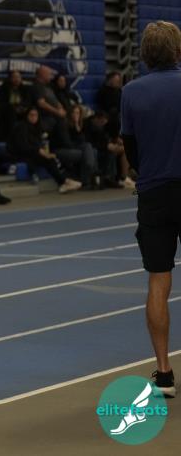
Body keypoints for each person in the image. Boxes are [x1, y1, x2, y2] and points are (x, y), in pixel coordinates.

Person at [121, 21, 181, 399]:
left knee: (158, 281)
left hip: (155, 192)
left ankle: (164, 375)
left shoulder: (131, 92)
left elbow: (131, 149)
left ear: (145, 55)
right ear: (178, 50)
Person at [6, 107, 82, 193]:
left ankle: (64, 182)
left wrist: (43, 151)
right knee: (47, 159)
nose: (34, 117)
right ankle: (65, 181)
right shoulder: (21, 127)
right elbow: (22, 146)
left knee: (50, 158)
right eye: (31, 115)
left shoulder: (37, 128)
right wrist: (39, 151)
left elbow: (37, 144)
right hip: (19, 154)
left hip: (32, 153)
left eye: (36, 115)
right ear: (27, 116)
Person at [52, 104, 98, 189]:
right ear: (70, 113)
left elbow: (82, 140)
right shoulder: (63, 123)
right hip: (60, 149)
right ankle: (89, 178)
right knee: (87, 152)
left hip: (73, 147)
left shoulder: (77, 125)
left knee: (92, 150)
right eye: (74, 112)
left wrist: (77, 127)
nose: (76, 115)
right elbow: (66, 143)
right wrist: (80, 147)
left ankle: (87, 180)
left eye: (78, 113)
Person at [0, 70, 31, 142]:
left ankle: (31, 136)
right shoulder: (4, 88)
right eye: (14, 77)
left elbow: (27, 101)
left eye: (18, 77)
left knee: (32, 110)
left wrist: (22, 107)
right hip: (8, 111)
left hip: (21, 110)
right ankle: (11, 138)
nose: (17, 79)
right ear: (10, 78)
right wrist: (14, 108)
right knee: (11, 110)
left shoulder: (25, 89)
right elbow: (0, 102)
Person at [97, 71, 123, 137]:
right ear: (110, 79)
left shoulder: (119, 90)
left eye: (118, 80)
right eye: (116, 80)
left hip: (118, 112)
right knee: (114, 118)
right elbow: (103, 105)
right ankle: (115, 138)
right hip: (107, 112)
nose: (118, 82)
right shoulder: (103, 90)